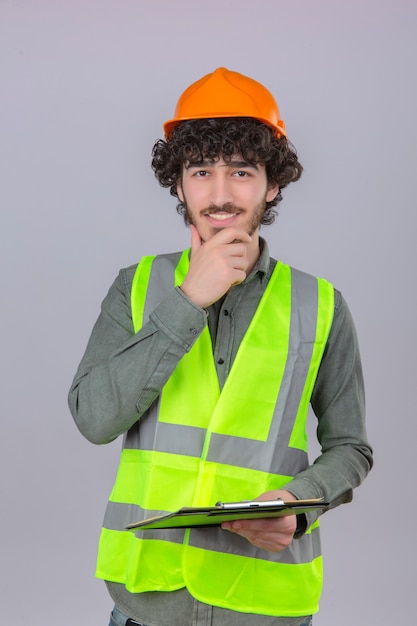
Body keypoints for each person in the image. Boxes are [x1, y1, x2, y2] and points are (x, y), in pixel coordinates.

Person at [68, 67, 373, 626]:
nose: (220, 195)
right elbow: (94, 419)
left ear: (272, 184)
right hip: (149, 604)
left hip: (265, 605)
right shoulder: (135, 287)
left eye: (241, 171)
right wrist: (188, 299)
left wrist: (298, 506)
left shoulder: (321, 305)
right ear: (179, 184)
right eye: (201, 171)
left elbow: (351, 447)